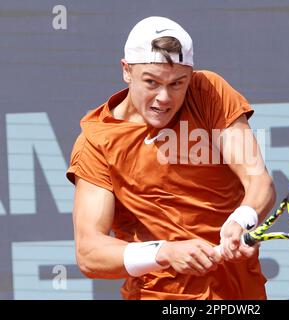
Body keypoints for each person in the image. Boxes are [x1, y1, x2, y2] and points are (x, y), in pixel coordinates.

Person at [66, 16, 276, 300]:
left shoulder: (208, 92)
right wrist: (164, 252)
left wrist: (241, 219)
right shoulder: (96, 142)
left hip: (240, 296)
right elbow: (89, 252)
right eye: (151, 82)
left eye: (177, 83)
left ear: (190, 76)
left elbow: (258, 180)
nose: (164, 97)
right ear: (127, 71)